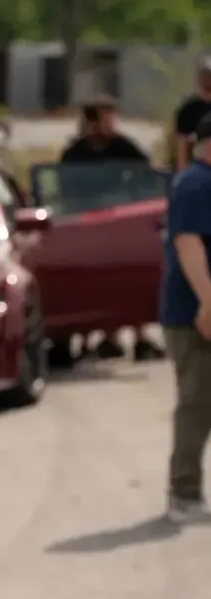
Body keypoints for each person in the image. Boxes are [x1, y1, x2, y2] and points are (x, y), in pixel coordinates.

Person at [59, 97, 165, 362]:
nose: (108, 125)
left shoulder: (123, 147)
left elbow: (145, 172)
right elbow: (64, 189)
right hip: (87, 225)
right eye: (102, 119)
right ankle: (104, 337)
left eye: (110, 119)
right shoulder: (75, 153)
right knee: (91, 282)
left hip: (121, 222)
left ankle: (140, 338)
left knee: (131, 279)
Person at [159, 111, 211, 523]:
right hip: (193, 315)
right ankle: (184, 494)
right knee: (197, 404)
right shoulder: (195, 184)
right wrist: (208, 303)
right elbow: (187, 244)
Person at [173, 57, 211, 173]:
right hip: (199, 171)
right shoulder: (188, 111)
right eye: (205, 76)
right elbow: (182, 149)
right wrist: (184, 176)